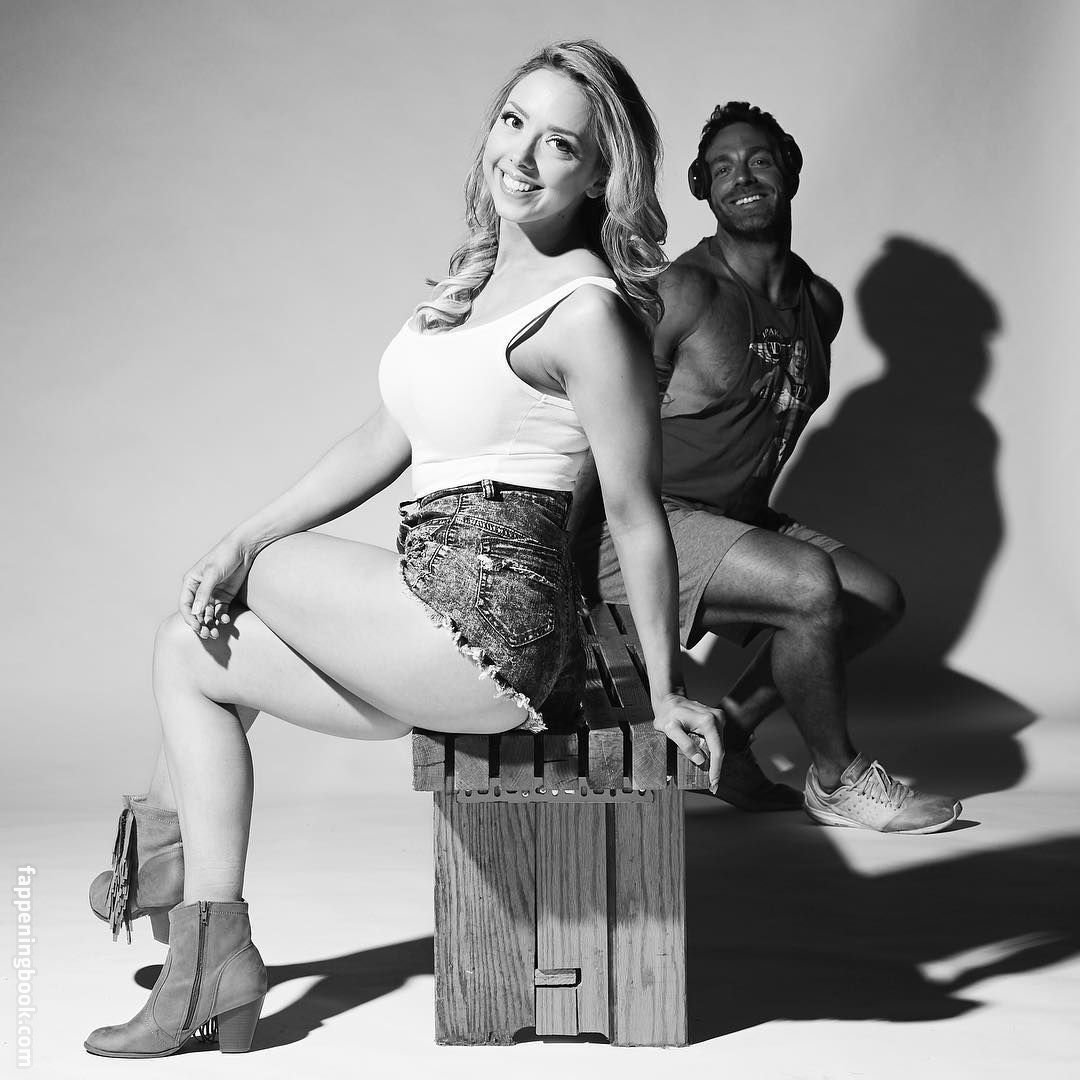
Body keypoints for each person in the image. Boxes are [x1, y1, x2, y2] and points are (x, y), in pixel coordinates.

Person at [82, 42, 725, 1059]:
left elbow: (638, 514)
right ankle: (211, 953)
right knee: (186, 649)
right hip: (420, 625)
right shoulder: (468, 289)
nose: (521, 157)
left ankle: (160, 856)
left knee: (269, 567)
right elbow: (384, 438)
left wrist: (667, 685)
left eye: (559, 144)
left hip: (491, 633)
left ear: (601, 173)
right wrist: (242, 534)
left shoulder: (587, 313)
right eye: (512, 122)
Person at [572, 101, 961, 832]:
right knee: (808, 585)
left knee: (874, 597)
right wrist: (560, 556)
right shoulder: (683, 292)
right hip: (645, 523)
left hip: (733, 518)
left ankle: (726, 740)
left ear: (789, 171)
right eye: (721, 168)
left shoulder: (820, 304)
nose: (741, 178)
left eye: (757, 161)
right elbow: (594, 423)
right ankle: (838, 779)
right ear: (702, 189)